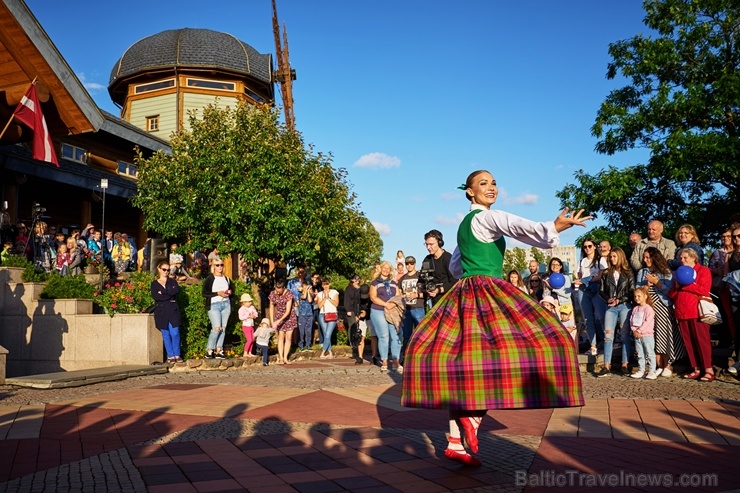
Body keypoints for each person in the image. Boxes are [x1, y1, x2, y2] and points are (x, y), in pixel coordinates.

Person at [402, 170, 587, 467]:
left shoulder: (464, 226)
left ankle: (454, 441)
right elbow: (512, 224)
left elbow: (455, 265)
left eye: (494, 183)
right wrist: (553, 227)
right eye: (483, 184)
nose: (491, 188)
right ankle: (472, 416)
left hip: (465, 291)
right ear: (470, 192)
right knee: (538, 344)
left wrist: (470, 274)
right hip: (487, 288)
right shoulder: (486, 218)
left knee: (461, 362)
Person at [636, 247, 685, 377]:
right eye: (644, 257)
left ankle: (668, 364)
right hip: (648, 308)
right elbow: (637, 290)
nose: (645, 260)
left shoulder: (665, 272)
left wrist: (657, 282)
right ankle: (658, 364)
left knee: (665, 334)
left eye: (648, 257)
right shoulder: (642, 272)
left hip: (662, 306)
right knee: (654, 336)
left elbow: (669, 291)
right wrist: (646, 285)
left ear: (655, 258)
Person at [669, 248, 715, 382]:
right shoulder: (678, 274)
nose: (682, 261)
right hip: (682, 312)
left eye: (685, 258)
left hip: (697, 312)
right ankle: (695, 368)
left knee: (702, 341)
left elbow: (704, 290)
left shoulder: (703, 271)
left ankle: (708, 369)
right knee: (688, 342)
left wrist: (686, 284)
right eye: (681, 258)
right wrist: (677, 287)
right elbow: (672, 294)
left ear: (694, 258)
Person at [596, 247, 635, 377]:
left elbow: (632, 291)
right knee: (608, 336)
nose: (612, 259)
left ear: (620, 257)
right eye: (610, 257)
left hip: (624, 305)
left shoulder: (628, 272)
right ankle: (607, 365)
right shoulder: (606, 273)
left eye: (614, 256)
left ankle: (625, 363)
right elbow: (601, 290)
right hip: (610, 307)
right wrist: (608, 299)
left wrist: (619, 299)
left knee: (624, 335)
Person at [572, 239, 605, 356]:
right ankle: (593, 345)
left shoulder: (601, 260)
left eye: (590, 246)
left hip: (596, 288)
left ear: (595, 247)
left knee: (601, 316)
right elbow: (579, 276)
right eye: (585, 247)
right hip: (584, 290)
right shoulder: (581, 261)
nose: (587, 249)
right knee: (588, 319)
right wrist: (583, 280)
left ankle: (606, 341)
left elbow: (601, 276)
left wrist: (586, 280)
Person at [370, 261, 402, 372]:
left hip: (392, 311)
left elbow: (398, 296)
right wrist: (385, 304)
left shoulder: (394, 282)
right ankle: (384, 360)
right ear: (381, 269)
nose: (386, 270)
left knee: (395, 335)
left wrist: (393, 304)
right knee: (384, 336)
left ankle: (395, 361)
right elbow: (373, 297)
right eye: (384, 268)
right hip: (378, 310)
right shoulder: (374, 283)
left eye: (388, 268)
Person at [150, 261, 182, 363]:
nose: (166, 272)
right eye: (164, 269)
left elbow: (176, 291)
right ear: (159, 269)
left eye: (168, 270)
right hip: (161, 310)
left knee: (175, 333)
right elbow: (156, 296)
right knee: (166, 334)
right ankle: (171, 355)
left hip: (173, 309)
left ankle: (177, 354)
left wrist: (163, 293)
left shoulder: (173, 282)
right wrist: (168, 295)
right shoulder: (154, 284)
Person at [202, 259, 234, 359]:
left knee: (223, 329)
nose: (219, 267)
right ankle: (209, 349)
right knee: (216, 328)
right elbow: (204, 293)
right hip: (214, 304)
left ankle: (219, 350)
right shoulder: (210, 278)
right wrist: (217, 293)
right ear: (213, 267)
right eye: (217, 265)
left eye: (221, 265)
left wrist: (228, 293)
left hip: (226, 304)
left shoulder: (227, 279)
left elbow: (232, 292)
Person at [421, 230, 458, 306]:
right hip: (432, 303)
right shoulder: (427, 260)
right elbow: (421, 280)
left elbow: (455, 282)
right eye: (426, 244)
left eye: (431, 244)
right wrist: (422, 287)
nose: (428, 247)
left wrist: (438, 290)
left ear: (439, 243)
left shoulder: (448, 258)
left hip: (448, 301)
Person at [398, 256, 424, 361]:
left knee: (420, 334)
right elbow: (399, 294)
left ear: (414, 264)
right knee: (407, 335)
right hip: (406, 309)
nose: (409, 265)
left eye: (411, 263)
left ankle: (420, 356)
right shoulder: (402, 278)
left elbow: (425, 293)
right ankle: (406, 356)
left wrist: (416, 295)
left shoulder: (420, 276)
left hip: (418, 308)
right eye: (407, 263)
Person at [630, 286, 657, 379]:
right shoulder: (635, 309)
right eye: (635, 296)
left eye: (639, 296)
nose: (636, 298)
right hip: (637, 335)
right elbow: (631, 320)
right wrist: (634, 330)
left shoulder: (648, 309)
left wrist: (640, 331)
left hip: (647, 335)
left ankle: (652, 370)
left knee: (649, 353)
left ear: (645, 296)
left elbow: (648, 321)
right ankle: (641, 369)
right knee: (640, 353)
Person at [269, 278, 298, 364]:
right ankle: (281, 358)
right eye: (276, 290)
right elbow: (271, 307)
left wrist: (279, 320)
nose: (277, 293)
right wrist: (272, 320)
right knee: (281, 336)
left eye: (279, 291)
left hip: (289, 317)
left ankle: (285, 357)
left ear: (283, 288)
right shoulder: (273, 294)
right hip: (278, 316)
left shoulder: (289, 294)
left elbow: (288, 310)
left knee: (288, 337)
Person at [316, 276, 339, 359]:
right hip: (323, 314)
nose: (325, 286)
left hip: (332, 314)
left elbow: (336, 304)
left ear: (329, 284)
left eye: (327, 284)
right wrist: (324, 298)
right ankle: (330, 352)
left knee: (328, 334)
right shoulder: (319, 294)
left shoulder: (334, 292)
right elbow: (319, 306)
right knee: (326, 334)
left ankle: (323, 352)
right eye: (324, 284)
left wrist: (329, 298)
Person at [344, 274, 362, 363]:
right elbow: (347, 299)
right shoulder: (349, 289)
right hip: (351, 310)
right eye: (355, 279)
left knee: (358, 327)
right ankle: (352, 343)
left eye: (358, 278)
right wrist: (348, 309)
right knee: (352, 326)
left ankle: (357, 341)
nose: (357, 280)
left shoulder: (360, 288)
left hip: (358, 310)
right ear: (352, 280)